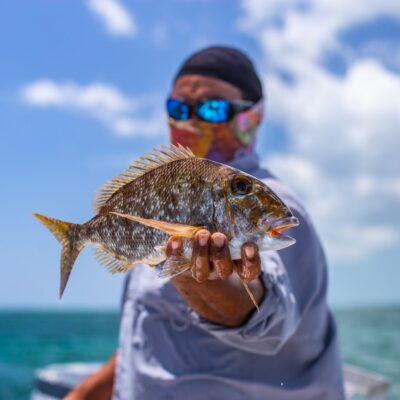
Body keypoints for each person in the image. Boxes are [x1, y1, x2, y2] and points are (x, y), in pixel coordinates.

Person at [65, 46, 345, 400]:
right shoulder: (166, 195)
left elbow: (266, 314)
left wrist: (210, 281)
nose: (193, 120)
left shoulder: (278, 202)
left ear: (252, 117)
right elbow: (150, 336)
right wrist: (82, 395)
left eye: (215, 108)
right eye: (179, 108)